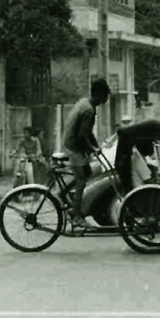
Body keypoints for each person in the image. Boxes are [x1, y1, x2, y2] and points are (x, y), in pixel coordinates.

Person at [63, 79, 111, 229]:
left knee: (88, 172)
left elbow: (87, 133)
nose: (106, 100)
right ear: (99, 95)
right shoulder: (89, 110)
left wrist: (96, 146)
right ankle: (76, 215)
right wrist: (91, 149)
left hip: (71, 144)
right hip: (75, 148)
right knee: (81, 180)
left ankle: (64, 194)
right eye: (105, 96)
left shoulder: (83, 103)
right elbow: (82, 135)